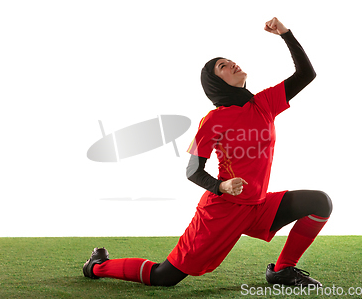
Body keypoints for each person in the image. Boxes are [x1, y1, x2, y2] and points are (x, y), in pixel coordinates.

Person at [83, 17, 332, 287]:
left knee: (320, 203)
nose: (232, 64)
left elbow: (307, 74)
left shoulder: (264, 104)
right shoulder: (214, 119)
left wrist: (285, 33)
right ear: (216, 83)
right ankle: (96, 267)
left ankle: (283, 271)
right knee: (163, 277)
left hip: (257, 206)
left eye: (230, 61)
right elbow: (192, 170)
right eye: (222, 66)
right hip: (223, 211)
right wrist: (221, 185)